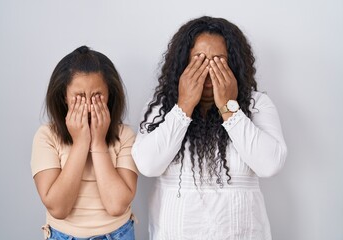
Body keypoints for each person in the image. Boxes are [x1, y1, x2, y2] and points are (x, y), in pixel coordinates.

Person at [132, 16, 287, 239]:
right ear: (184, 64)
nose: (208, 71)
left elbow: (270, 165)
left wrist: (229, 108)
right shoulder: (160, 107)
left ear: (233, 66)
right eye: (199, 60)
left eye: (219, 61)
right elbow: (148, 165)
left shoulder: (256, 105)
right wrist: (184, 106)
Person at [31, 46, 138, 240]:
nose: (88, 106)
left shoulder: (125, 135)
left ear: (110, 95)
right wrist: (81, 143)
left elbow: (116, 206)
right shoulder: (46, 135)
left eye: (97, 96)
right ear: (64, 96)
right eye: (79, 97)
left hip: (119, 234)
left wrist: (98, 143)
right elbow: (58, 208)